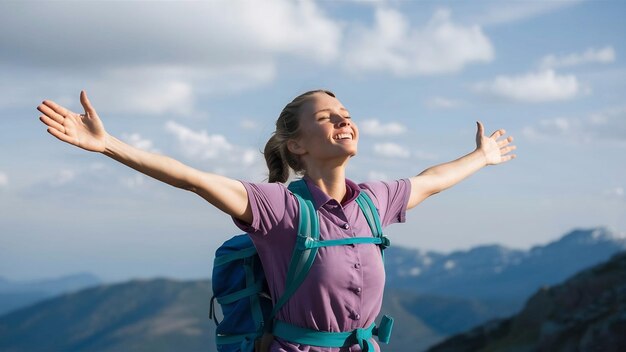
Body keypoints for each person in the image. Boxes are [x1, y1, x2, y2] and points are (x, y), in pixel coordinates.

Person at [37, 89, 516, 351]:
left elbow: (431, 180)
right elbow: (191, 177)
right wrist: (109, 145)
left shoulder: (374, 201)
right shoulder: (278, 208)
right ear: (298, 146)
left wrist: (481, 156)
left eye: (346, 113)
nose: (343, 120)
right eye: (327, 117)